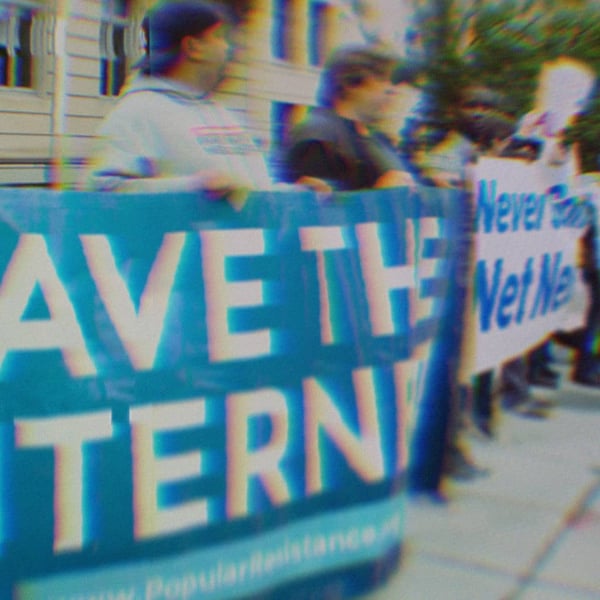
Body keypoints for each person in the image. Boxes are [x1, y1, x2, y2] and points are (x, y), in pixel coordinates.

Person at [85, 0, 275, 202]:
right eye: (221, 38)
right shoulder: (137, 113)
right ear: (194, 47)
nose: (232, 50)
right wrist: (192, 187)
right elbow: (103, 193)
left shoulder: (225, 115)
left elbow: (256, 192)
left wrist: (302, 193)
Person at [280, 44, 417, 192]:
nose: (391, 89)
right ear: (351, 83)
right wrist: (382, 195)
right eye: (381, 78)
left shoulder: (378, 140)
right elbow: (318, 206)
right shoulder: (318, 135)